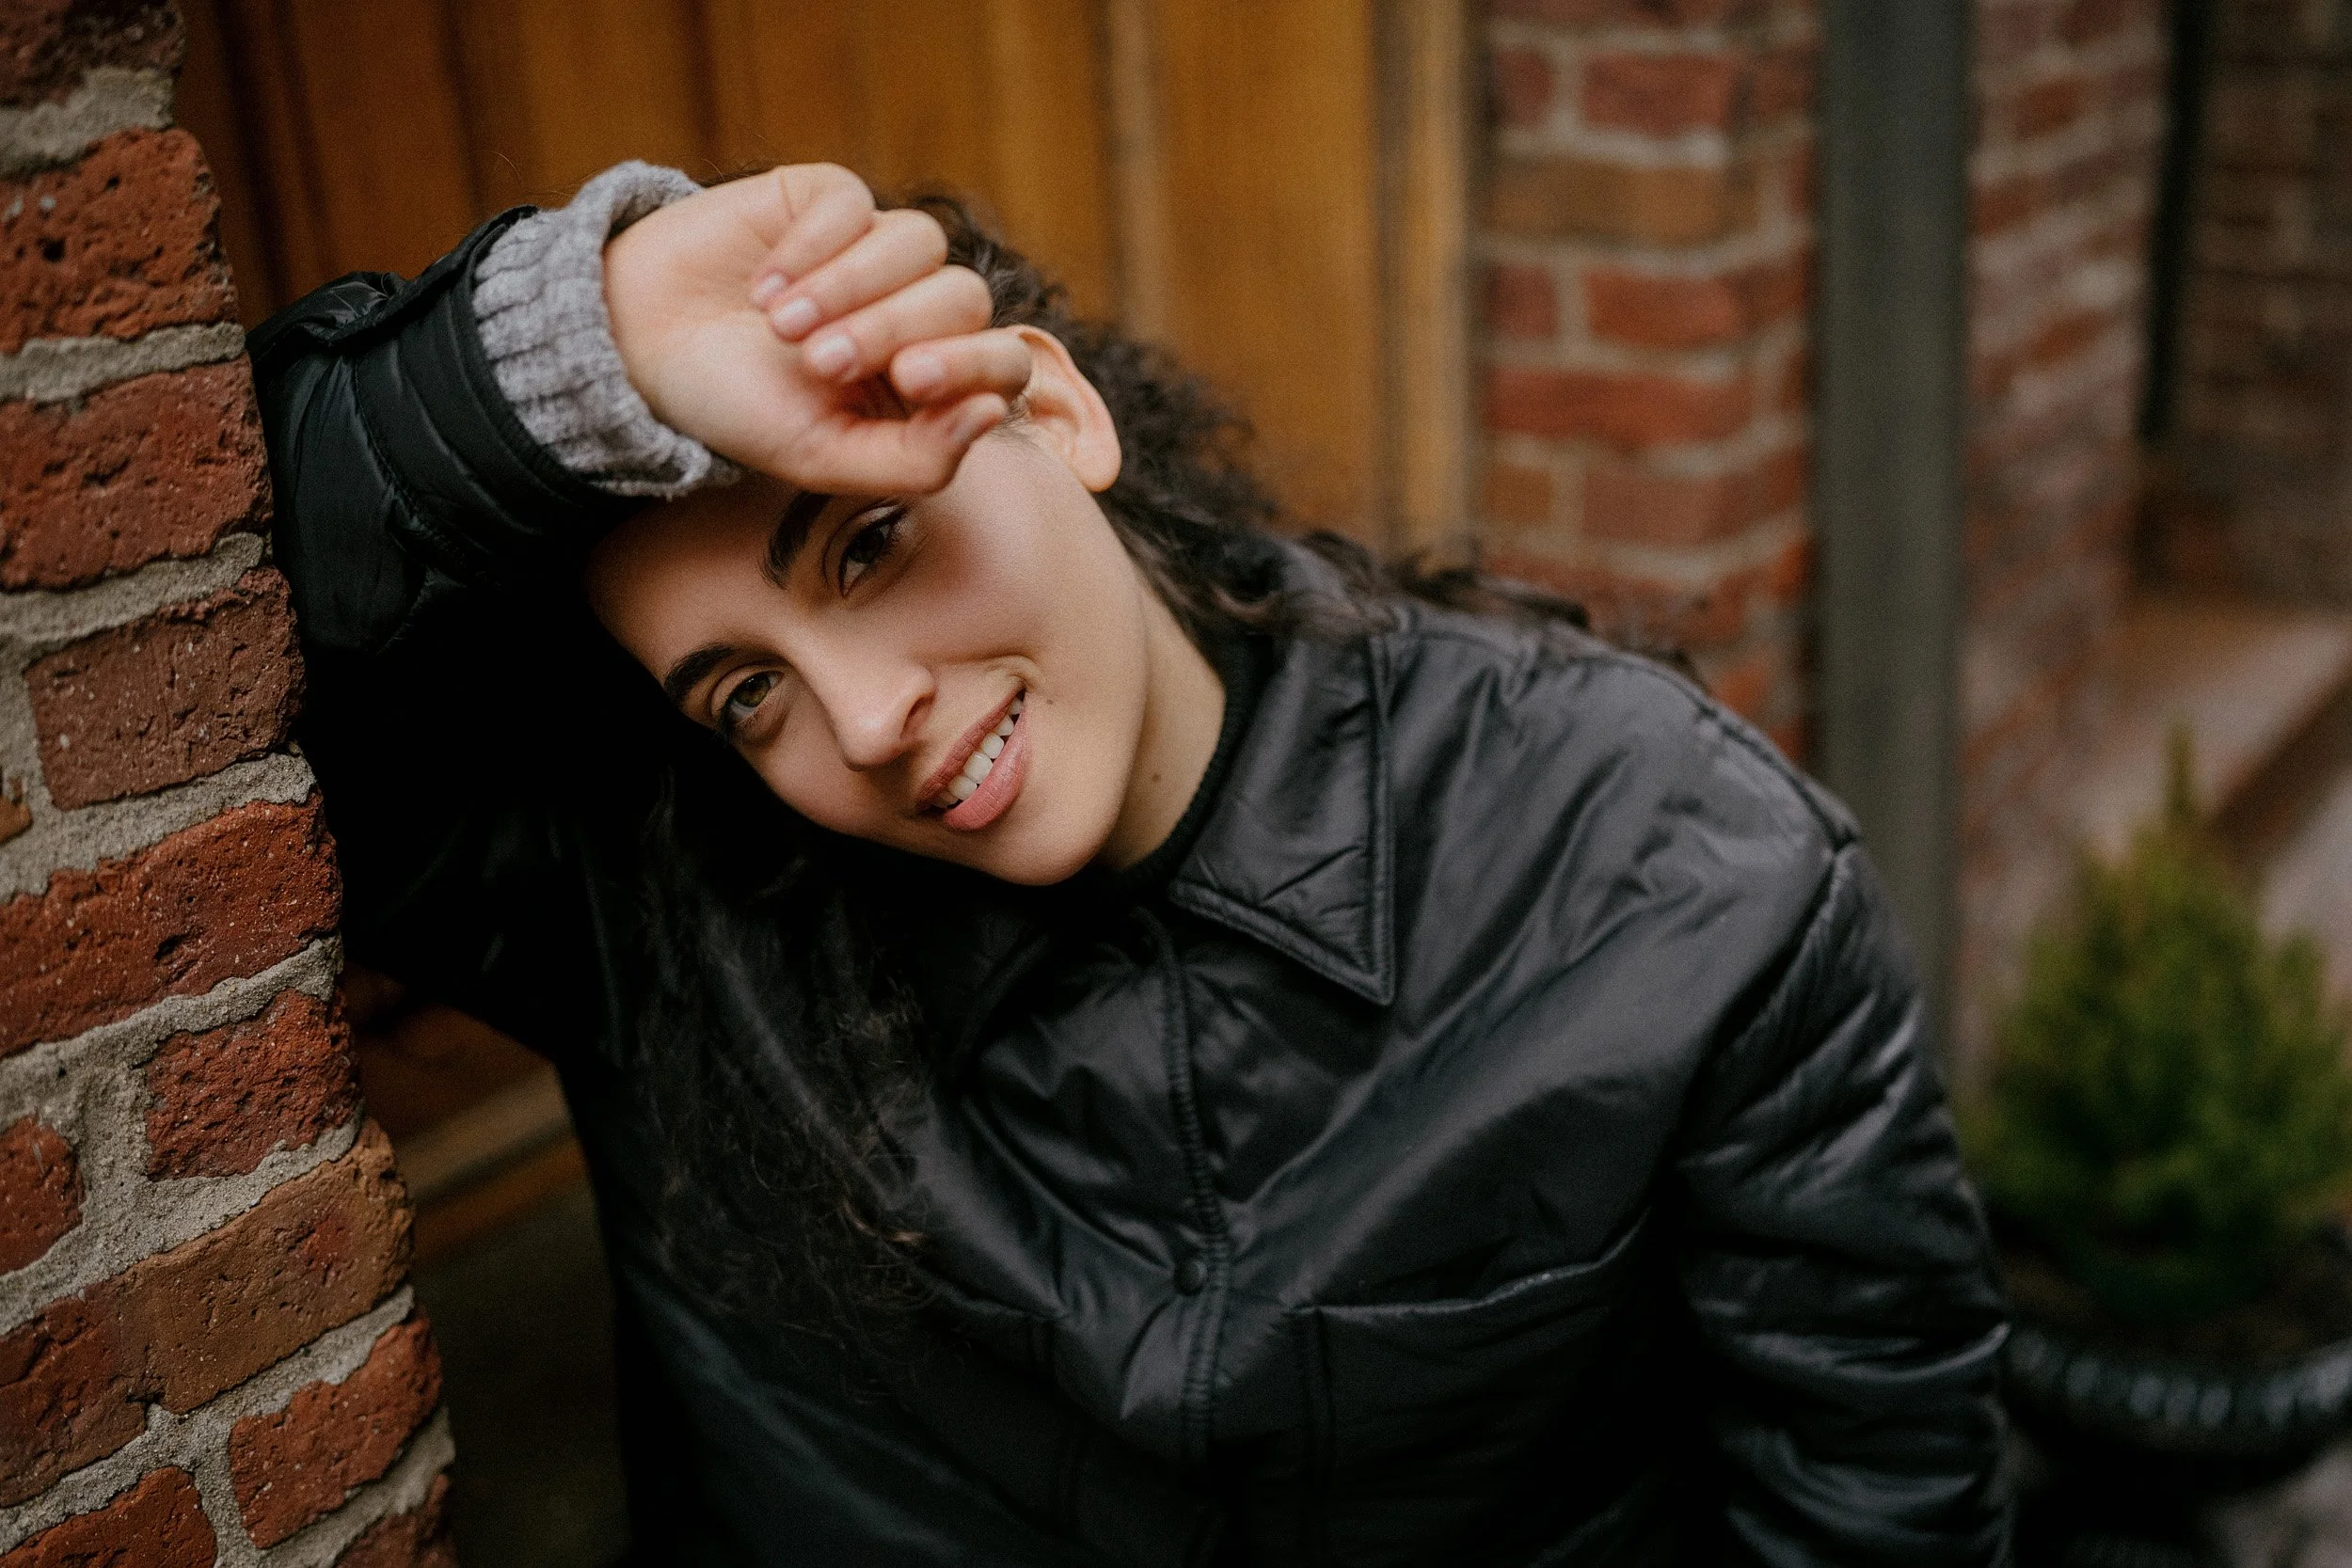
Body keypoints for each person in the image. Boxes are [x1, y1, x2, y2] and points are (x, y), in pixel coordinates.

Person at [253, 160, 2010, 1565]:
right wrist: (570, 350)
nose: (864, 718)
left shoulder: (1670, 870)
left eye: (866, 546)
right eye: (747, 694)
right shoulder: (647, 885)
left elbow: (1875, 1496)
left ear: (1056, 413)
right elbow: (169, 625)